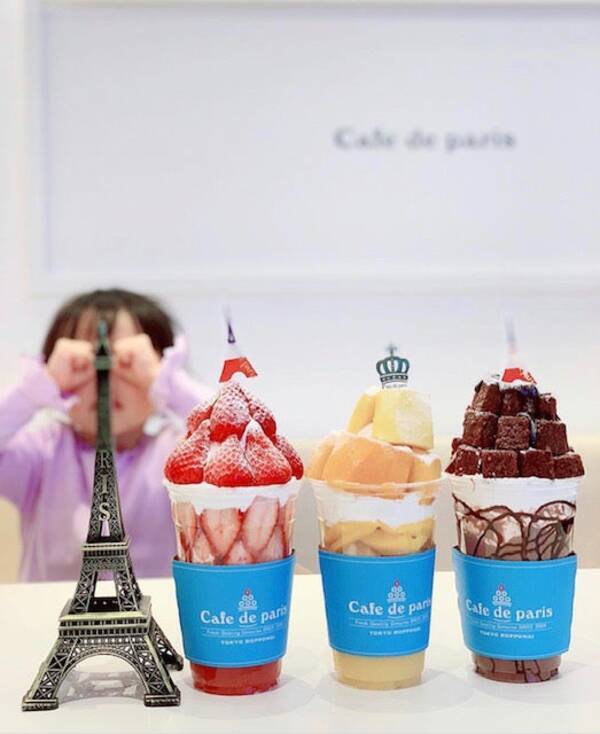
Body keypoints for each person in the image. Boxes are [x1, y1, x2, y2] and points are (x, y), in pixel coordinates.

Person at [0, 288, 213, 581]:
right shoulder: (41, 453)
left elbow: (243, 442)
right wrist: (34, 389)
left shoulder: (179, 454)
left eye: (127, 364)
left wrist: (168, 382)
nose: (105, 379)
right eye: (82, 366)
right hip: (47, 611)